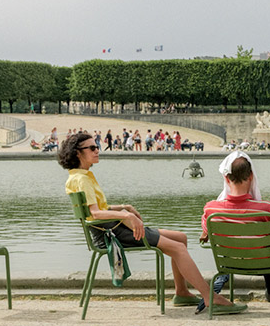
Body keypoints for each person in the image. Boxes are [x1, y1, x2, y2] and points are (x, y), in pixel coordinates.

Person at [57, 132, 245, 314]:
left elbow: (97, 209)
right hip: (114, 233)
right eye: (91, 148)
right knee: (178, 248)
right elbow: (95, 213)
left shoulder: (79, 176)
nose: (97, 150)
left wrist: (125, 207)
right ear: (77, 153)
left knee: (181, 238)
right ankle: (210, 297)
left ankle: (181, 293)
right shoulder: (82, 180)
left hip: (112, 229)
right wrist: (126, 216)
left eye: (97, 146)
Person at [201, 152, 270, 304]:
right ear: (251, 176)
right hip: (266, 263)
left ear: (226, 178)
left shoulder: (211, 210)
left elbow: (206, 229)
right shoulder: (268, 210)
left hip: (232, 264)